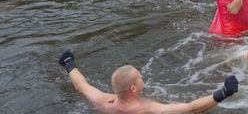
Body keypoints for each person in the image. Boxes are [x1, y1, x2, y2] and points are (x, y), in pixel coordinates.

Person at [58, 50, 238, 113]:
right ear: (134, 88)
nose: (143, 77)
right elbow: (191, 108)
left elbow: (82, 86)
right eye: (140, 77)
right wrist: (223, 92)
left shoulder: (105, 102)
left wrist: (69, 63)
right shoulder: (147, 108)